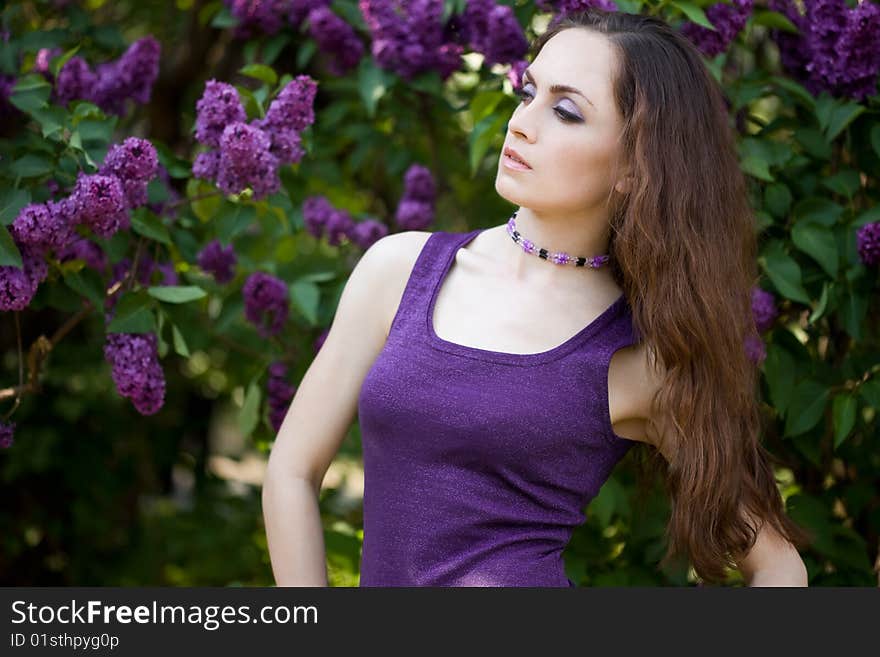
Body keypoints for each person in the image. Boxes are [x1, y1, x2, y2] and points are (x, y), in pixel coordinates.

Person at [262, 8, 812, 587]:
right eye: (528, 92)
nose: (522, 122)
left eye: (566, 111)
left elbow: (778, 568)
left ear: (633, 165)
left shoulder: (641, 359)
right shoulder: (399, 270)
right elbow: (293, 471)